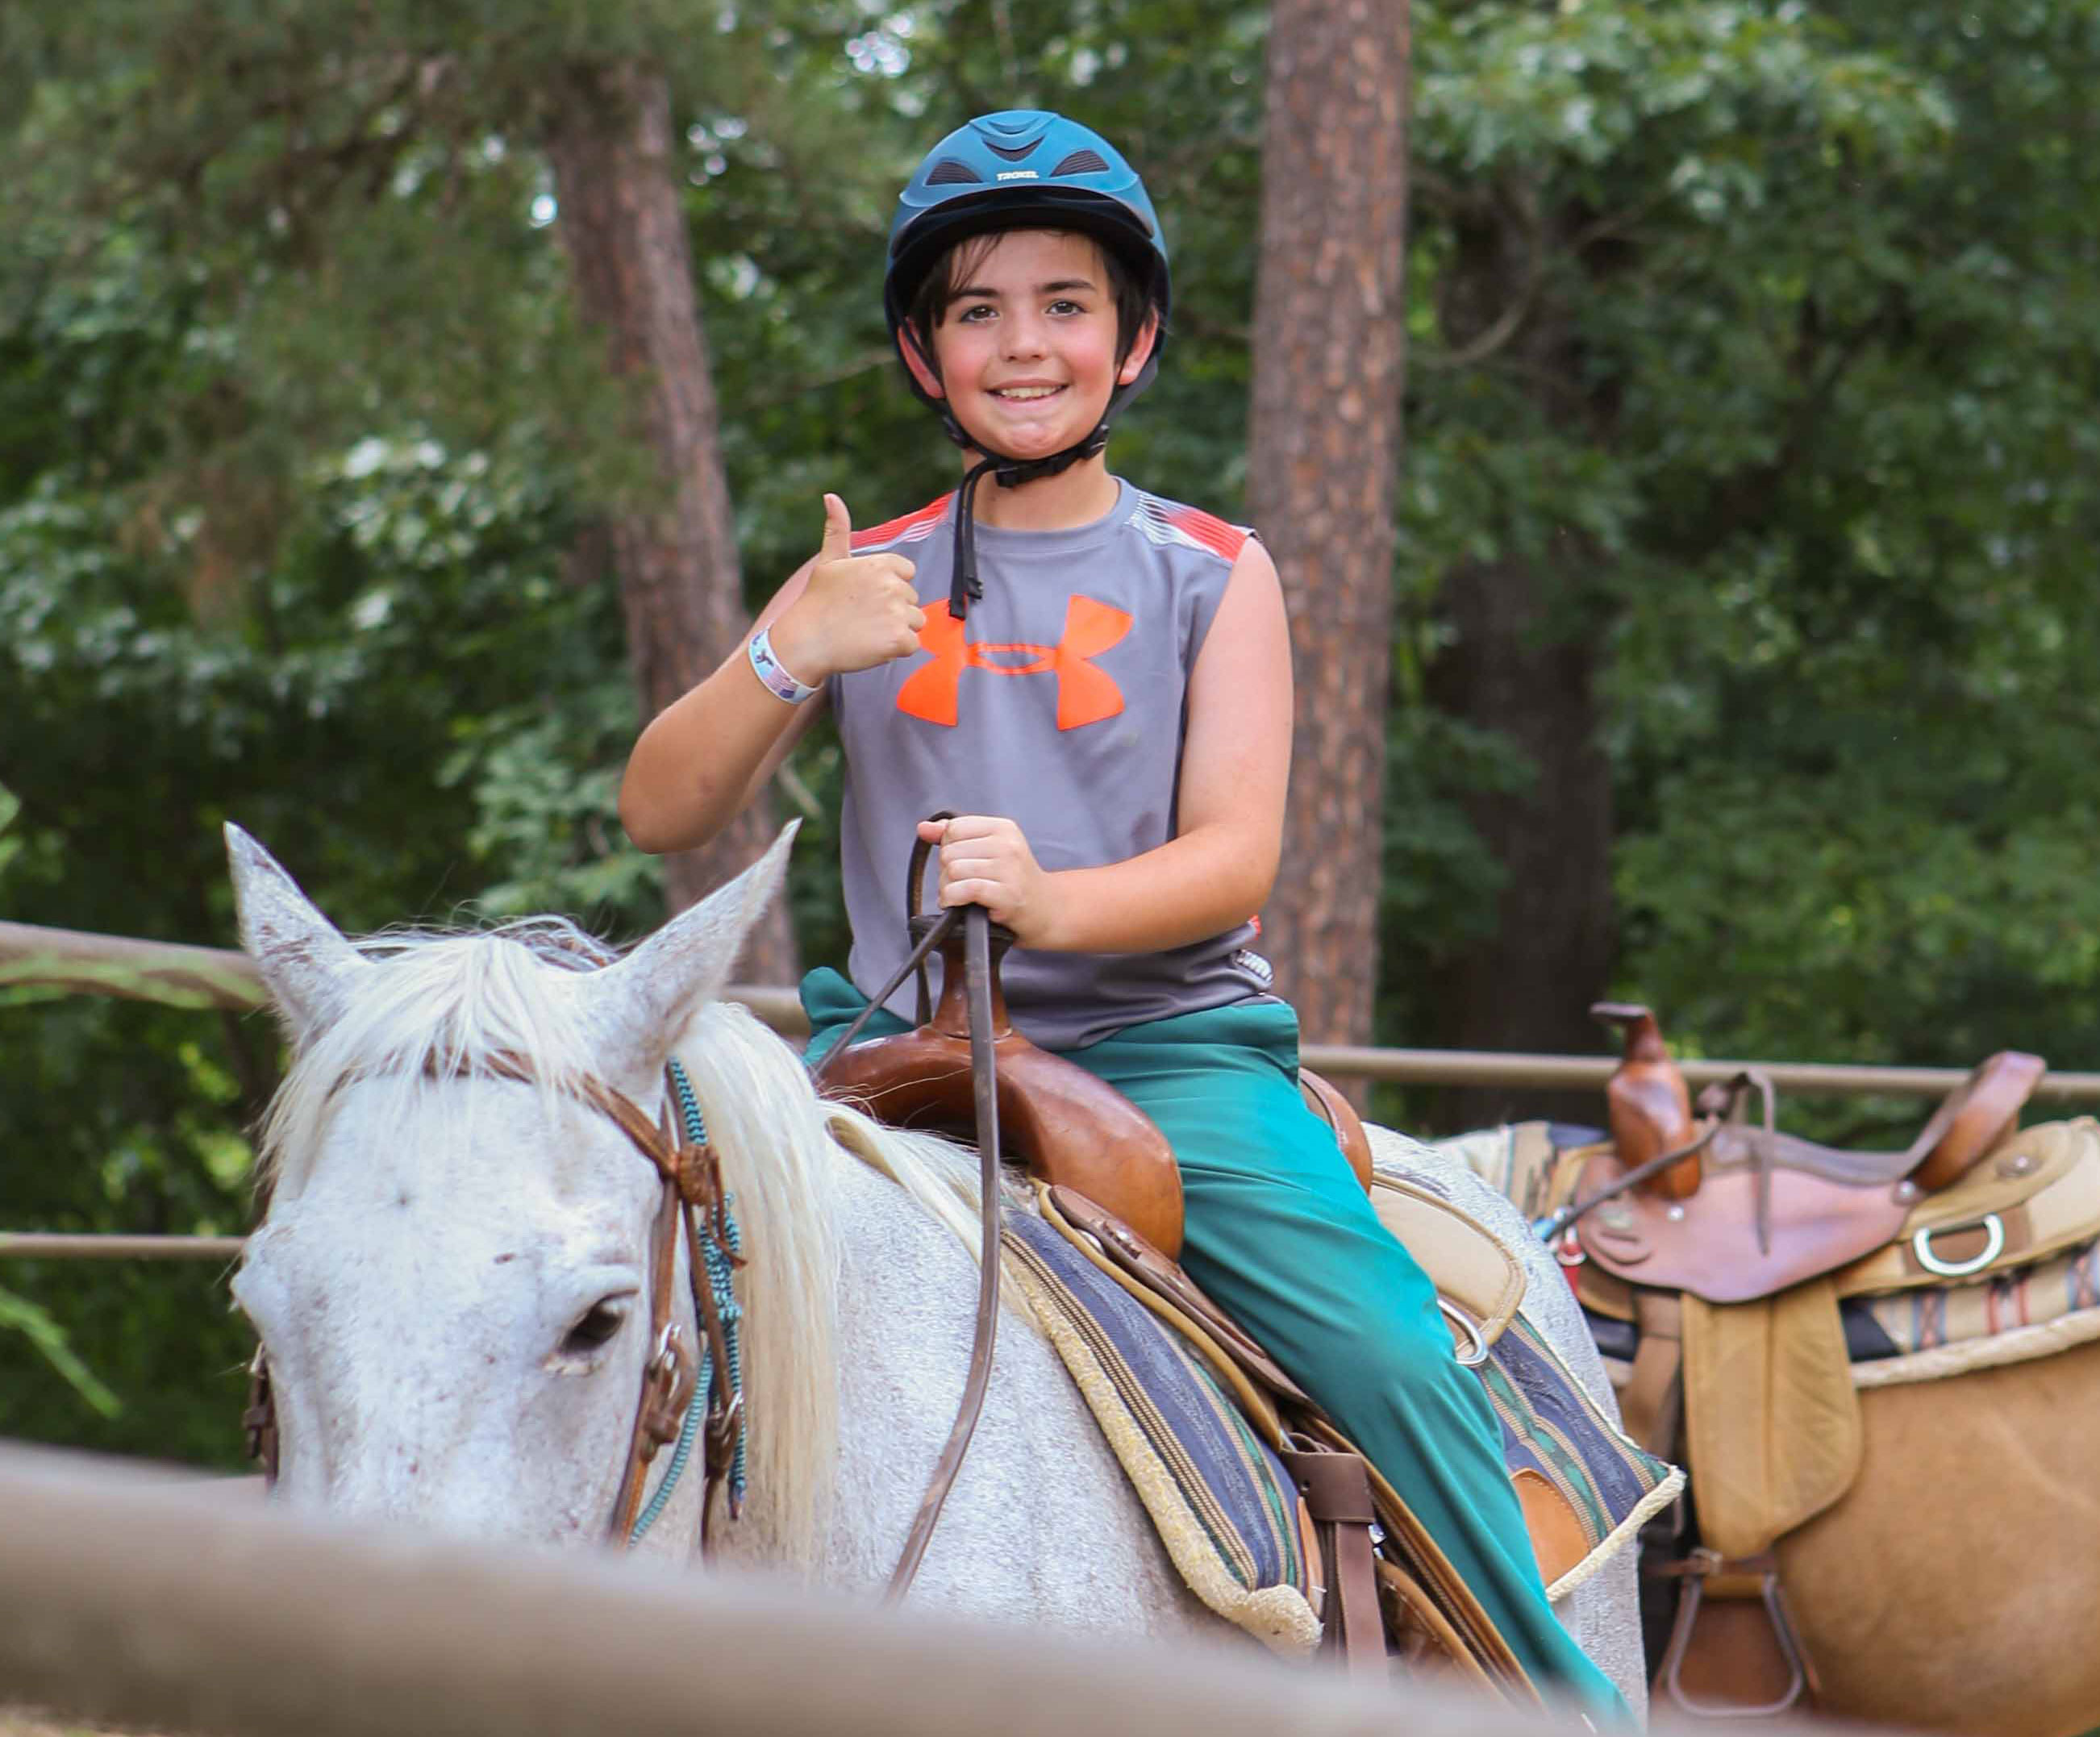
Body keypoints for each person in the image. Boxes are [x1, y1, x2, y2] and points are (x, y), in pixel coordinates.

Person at [617, 107, 1621, 1718]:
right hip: (892, 1075)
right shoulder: (860, 577)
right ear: (921, 350)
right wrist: (785, 650)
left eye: (1064, 303)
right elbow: (661, 803)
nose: (1024, 343)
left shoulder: (1210, 570)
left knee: (1385, 1356)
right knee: (640, 1310)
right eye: (977, 308)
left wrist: (1048, 895)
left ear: (1133, 338)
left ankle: (1559, 1698)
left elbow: (1232, 857)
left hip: (1166, 1062)